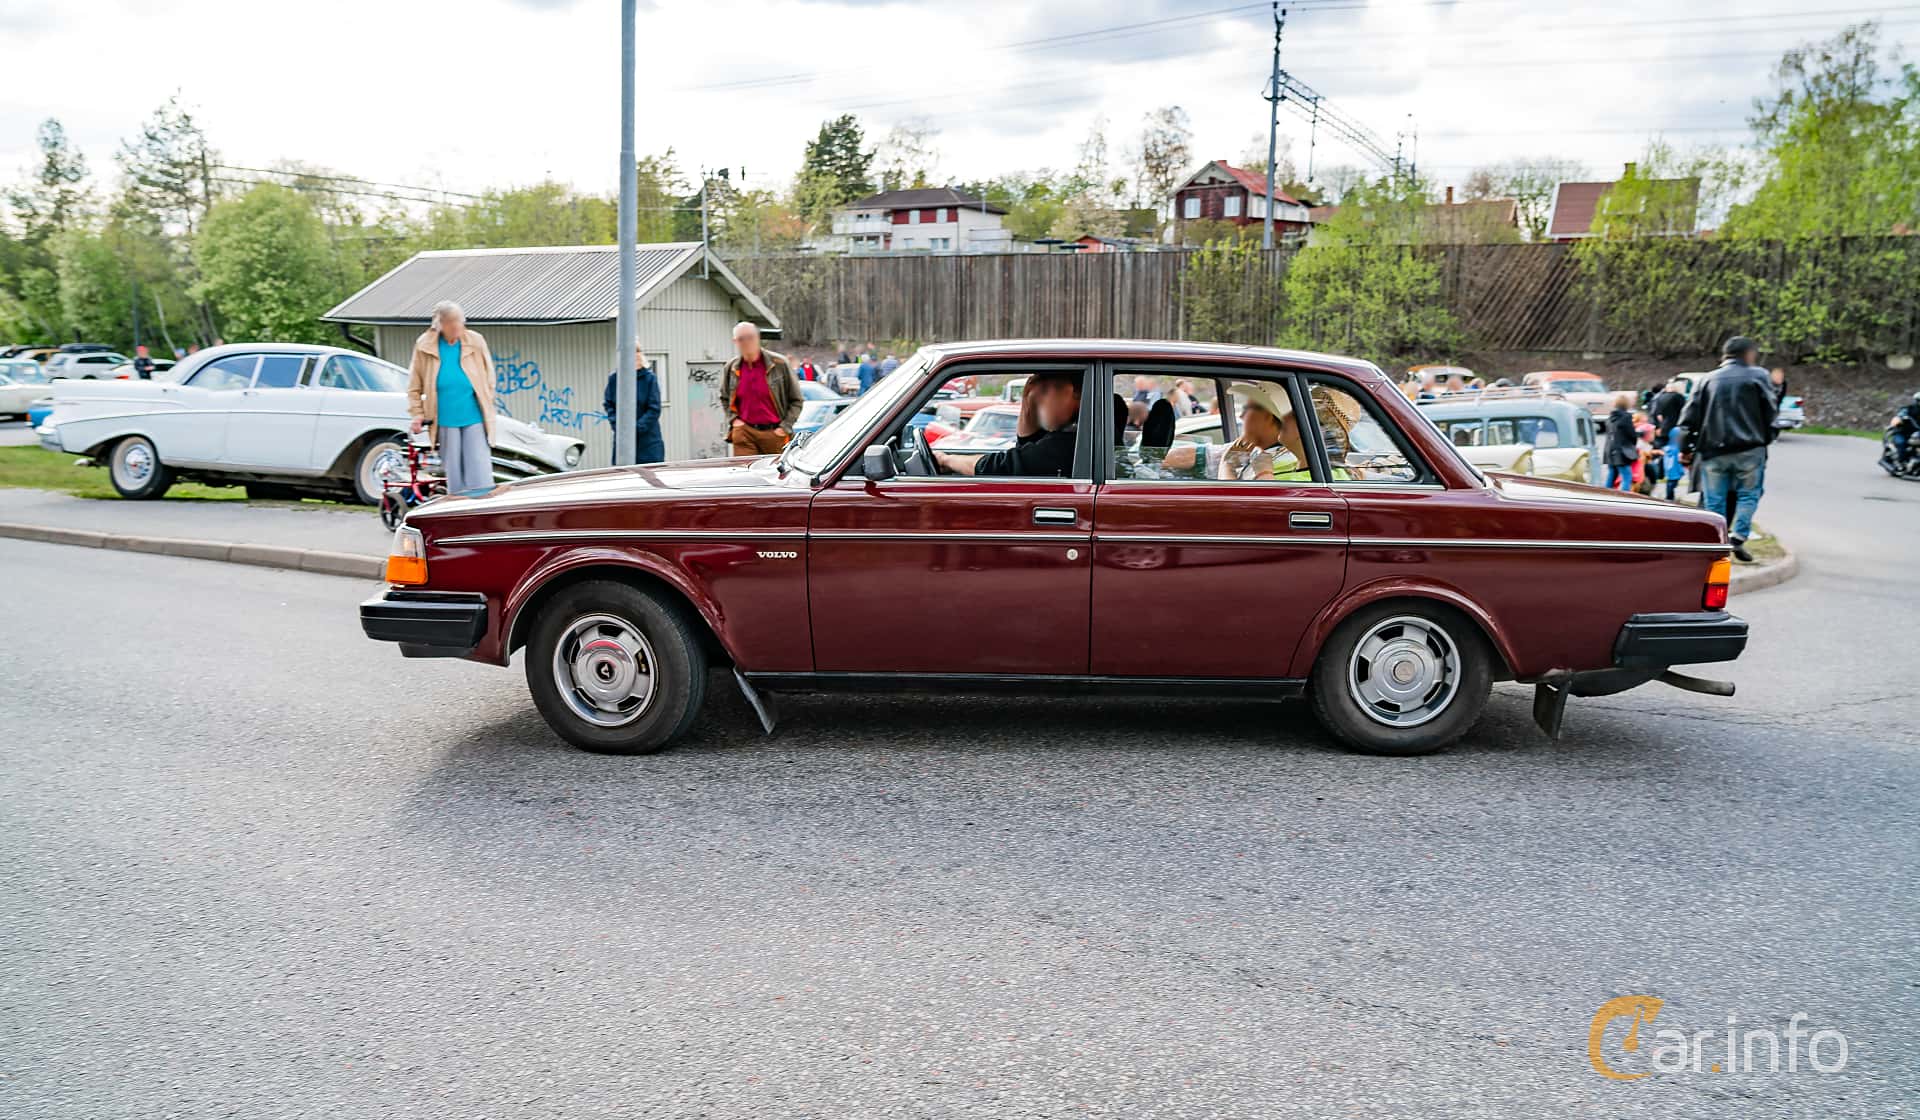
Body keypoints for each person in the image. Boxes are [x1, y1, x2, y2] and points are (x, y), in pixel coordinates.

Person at [1680, 336, 1778, 562]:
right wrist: (1766, 438)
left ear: (1725, 355)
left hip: (1713, 450)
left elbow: (1689, 418)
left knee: (1715, 498)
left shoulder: (1707, 379)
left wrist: (1687, 448)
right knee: (1749, 494)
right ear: (1749, 354)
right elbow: (1771, 412)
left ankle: (1717, 541)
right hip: (1750, 448)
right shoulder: (1759, 376)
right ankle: (1738, 536)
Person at [407, 301, 497, 495]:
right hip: (445, 417)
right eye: (450, 323)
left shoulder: (475, 340)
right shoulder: (425, 345)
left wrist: (488, 398)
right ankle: (460, 512)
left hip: (473, 413)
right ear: (440, 325)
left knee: (479, 467)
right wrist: (417, 414)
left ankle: (483, 508)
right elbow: (414, 386)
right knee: (454, 470)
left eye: (459, 322)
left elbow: (489, 375)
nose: (456, 327)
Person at [937, 370, 1080, 477]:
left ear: (1076, 392)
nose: (1039, 401)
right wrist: (1027, 399)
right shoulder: (1071, 433)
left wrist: (946, 460)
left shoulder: (1071, 441)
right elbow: (1025, 445)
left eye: (1045, 391)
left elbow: (1001, 467)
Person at [722, 320, 802, 457]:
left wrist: (784, 427)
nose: (747, 342)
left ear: (758, 338)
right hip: (744, 432)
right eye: (741, 339)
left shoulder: (779, 364)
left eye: (750, 337)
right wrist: (734, 420)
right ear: (735, 341)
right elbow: (724, 397)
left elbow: (796, 400)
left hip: (774, 432)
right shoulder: (732, 367)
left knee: (776, 475)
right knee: (744, 474)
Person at [1219, 382, 1315, 482]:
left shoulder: (1275, 462)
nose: (1241, 416)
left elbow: (1234, 496)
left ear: (1268, 416)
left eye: (1246, 408)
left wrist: (1227, 465)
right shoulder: (1271, 456)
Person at [602, 343, 664, 464]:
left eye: (636, 353)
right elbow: (609, 404)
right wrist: (618, 426)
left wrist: (635, 428)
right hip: (622, 440)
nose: (634, 357)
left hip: (648, 441)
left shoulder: (649, 379)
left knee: (650, 475)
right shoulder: (615, 379)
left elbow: (654, 409)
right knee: (623, 475)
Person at [1647, 377, 1687, 500]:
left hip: (1663, 429)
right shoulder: (1678, 398)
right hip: (1675, 429)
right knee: (1675, 459)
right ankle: (1671, 488)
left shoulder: (1660, 397)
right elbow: (1685, 412)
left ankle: (1661, 475)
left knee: (1666, 457)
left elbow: (1658, 415)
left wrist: (1660, 426)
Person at [1604, 392, 1638, 492]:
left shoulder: (1610, 417)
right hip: (1621, 451)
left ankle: (1604, 496)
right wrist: (1632, 445)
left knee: (1611, 475)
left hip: (1610, 449)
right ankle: (1624, 499)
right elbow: (1631, 434)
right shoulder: (1626, 417)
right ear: (1626, 404)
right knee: (1627, 477)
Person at [1889, 390, 1919, 465]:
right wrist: (1899, 418)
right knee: (1901, 444)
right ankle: (1900, 462)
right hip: (1903, 433)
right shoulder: (1909, 409)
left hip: (1917, 434)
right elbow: (1900, 415)